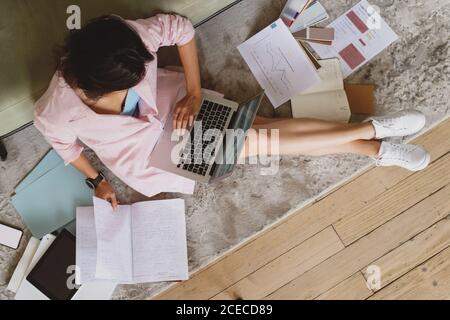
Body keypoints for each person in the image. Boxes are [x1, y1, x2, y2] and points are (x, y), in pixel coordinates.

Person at [34, 14, 430, 209]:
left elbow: (181, 29)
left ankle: (373, 143)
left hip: (180, 108)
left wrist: (191, 91)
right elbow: (65, 148)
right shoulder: (55, 110)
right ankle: (370, 134)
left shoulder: (124, 38)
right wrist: (97, 182)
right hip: (154, 158)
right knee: (262, 137)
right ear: (98, 87)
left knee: (267, 133)